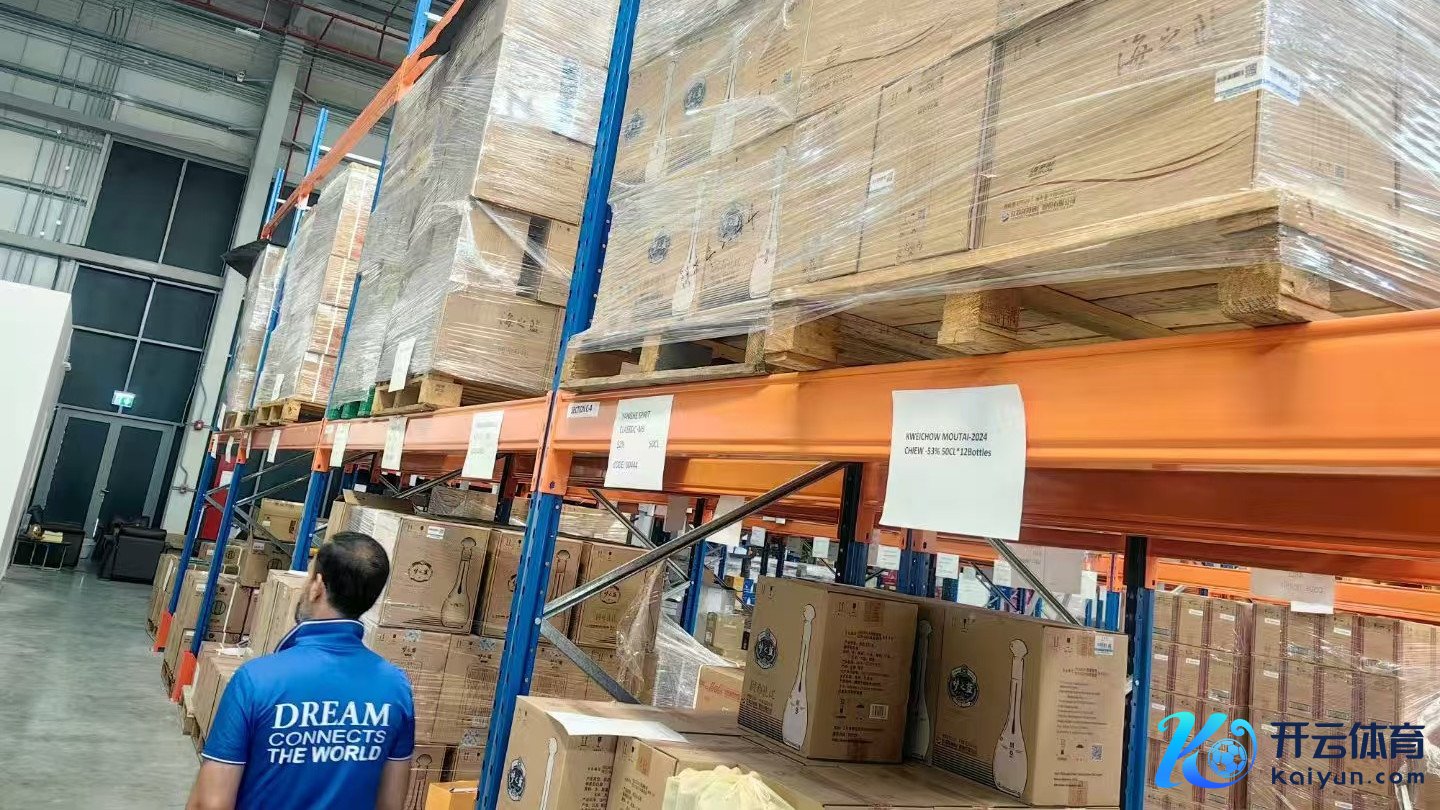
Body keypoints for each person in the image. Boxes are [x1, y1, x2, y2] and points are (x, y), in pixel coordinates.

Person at [187, 532, 414, 810]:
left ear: (317, 586)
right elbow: (391, 804)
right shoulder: (395, 687)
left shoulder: (257, 680)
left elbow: (211, 803)